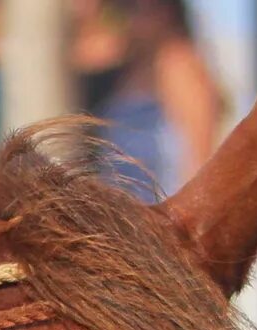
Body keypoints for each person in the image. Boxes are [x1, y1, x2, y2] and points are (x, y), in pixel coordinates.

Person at [80, 0, 223, 197]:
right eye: (125, 7)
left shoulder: (179, 64)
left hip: (159, 211)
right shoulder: (127, 66)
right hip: (121, 214)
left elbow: (199, 160)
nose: (132, 15)